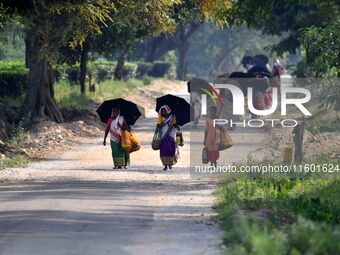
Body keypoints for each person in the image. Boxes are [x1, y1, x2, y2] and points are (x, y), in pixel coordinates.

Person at [157, 105, 180, 171]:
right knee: (164, 150)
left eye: (165, 111)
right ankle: (165, 165)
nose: (164, 112)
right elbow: (158, 126)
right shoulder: (160, 117)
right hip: (163, 136)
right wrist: (164, 123)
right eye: (162, 111)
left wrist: (177, 126)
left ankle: (170, 163)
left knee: (171, 149)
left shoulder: (172, 117)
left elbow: (174, 124)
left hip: (171, 135)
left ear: (168, 111)